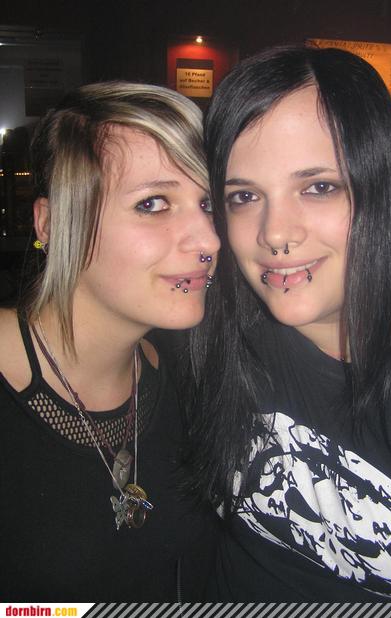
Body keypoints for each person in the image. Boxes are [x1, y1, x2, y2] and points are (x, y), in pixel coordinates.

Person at [185, 46, 391, 601]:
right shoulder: (204, 324)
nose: (274, 233)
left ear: (382, 183)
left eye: (317, 187)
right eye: (244, 196)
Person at [0, 81, 220, 601]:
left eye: (208, 202)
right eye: (153, 203)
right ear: (52, 222)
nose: (209, 240)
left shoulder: (188, 368)